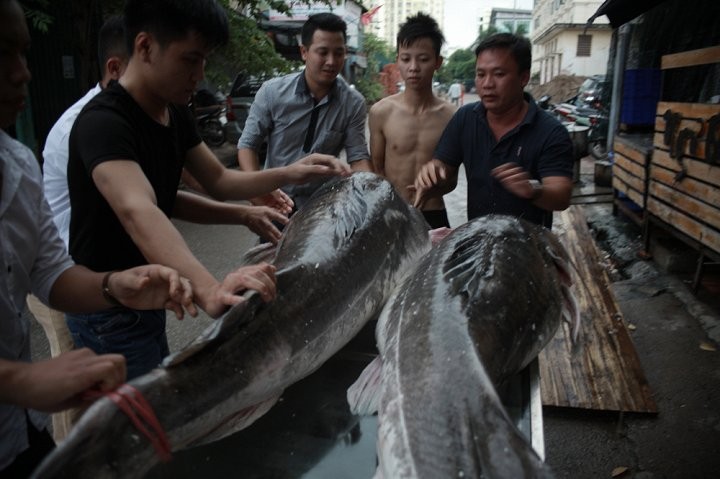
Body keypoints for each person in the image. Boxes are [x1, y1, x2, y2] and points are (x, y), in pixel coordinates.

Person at [66, 0, 350, 380]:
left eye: (204, 61)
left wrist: (292, 173)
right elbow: (139, 210)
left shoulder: (173, 111)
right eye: (190, 60)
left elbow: (218, 180)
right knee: (141, 425)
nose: (200, 75)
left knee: (153, 405)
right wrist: (209, 289)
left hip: (150, 293)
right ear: (146, 47)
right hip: (109, 304)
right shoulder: (104, 123)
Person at [0, 1, 196, 474]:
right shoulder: (99, 122)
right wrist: (20, 380)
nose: (23, 73)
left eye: (25, 53)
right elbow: (137, 208)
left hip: (18, 435)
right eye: (3, 54)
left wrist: (113, 285)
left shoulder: (17, 164)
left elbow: (50, 271)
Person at [413, 33, 574, 229]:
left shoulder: (550, 131)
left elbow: (562, 195)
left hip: (529, 247)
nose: (487, 84)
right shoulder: (466, 118)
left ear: (523, 77)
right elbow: (444, 165)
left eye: (499, 74)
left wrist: (534, 190)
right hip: (478, 240)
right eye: (481, 74)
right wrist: (432, 174)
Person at [237, 12, 372, 212]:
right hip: (277, 201)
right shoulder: (272, 93)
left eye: (339, 52)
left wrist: (372, 191)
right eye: (323, 52)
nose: (331, 61)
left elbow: (358, 158)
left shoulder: (353, 103)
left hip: (324, 209)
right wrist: (256, 191)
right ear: (304, 52)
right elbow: (248, 145)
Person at [369, 13, 455, 229]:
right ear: (398, 60)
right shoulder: (381, 112)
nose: (413, 67)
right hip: (392, 211)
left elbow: (452, 179)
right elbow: (377, 169)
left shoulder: (452, 116)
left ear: (438, 62)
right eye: (406, 58)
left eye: (423, 59)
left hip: (434, 213)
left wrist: (436, 187)